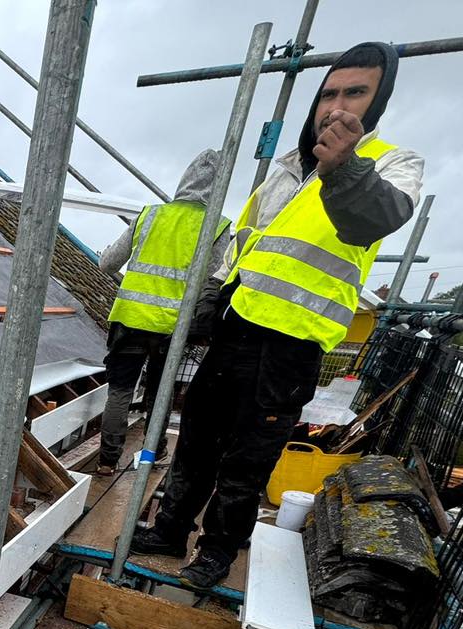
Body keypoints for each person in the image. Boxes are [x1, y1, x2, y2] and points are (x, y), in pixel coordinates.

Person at [131, 41, 424, 588]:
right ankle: (169, 529)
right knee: (196, 437)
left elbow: (372, 219)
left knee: (248, 457)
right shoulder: (286, 171)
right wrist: (211, 298)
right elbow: (241, 244)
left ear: (377, 101)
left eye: (355, 94)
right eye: (329, 94)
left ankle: (217, 551)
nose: (337, 106)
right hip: (237, 326)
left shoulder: (390, 163)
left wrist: (343, 170)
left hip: (292, 343)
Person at [94, 150, 232, 476]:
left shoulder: (149, 215)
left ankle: (106, 462)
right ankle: (153, 456)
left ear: (184, 179)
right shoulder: (218, 227)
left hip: (129, 318)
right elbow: (212, 281)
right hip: (172, 328)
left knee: (120, 391)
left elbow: (107, 263)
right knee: (160, 394)